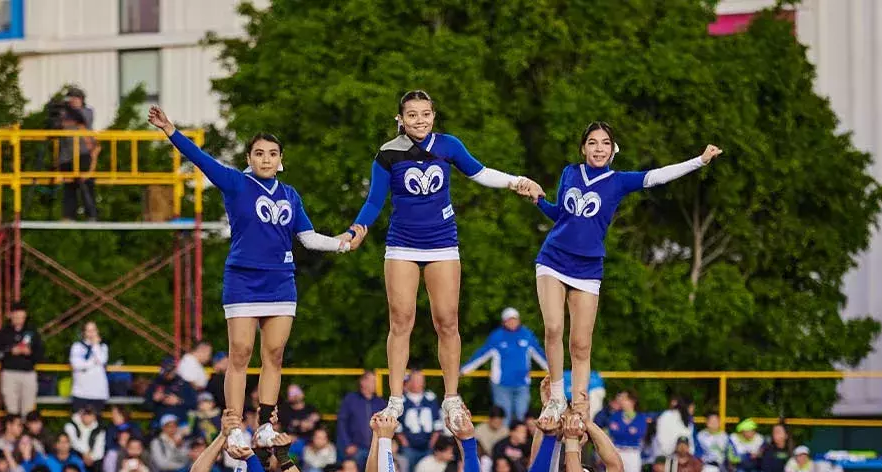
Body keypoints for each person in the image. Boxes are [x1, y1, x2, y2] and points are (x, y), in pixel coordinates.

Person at [149, 105, 349, 450]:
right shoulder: (236, 183)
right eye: (259, 153)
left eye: (272, 153)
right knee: (240, 353)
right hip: (243, 279)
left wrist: (342, 244)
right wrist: (170, 130)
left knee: (274, 355)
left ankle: (266, 423)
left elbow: (308, 238)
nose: (266, 159)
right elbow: (200, 158)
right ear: (249, 157)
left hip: (281, 281)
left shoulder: (290, 194)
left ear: (281, 158)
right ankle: (234, 423)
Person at [344, 90, 543, 431]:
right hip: (403, 245)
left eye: (425, 114)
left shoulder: (448, 145)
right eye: (412, 115)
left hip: (442, 243)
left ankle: (451, 398)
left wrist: (516, 182)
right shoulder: (388, 153)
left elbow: (480, 173)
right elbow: (375, 201)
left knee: (447, 321)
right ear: (400, 119)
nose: (419, 120)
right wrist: (356, 229)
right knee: (401, 320)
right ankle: (395, 400)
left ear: (433, 116)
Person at [531, 123, 719, 420]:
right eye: (592, 143)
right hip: (553, 258)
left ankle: (579, 406)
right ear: (583, 148)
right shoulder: (569, 172)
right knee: (554, 328)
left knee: (581, 344)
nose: (598, 148)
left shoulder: (618, 181)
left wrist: (700, 160)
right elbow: (562, 216)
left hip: (588, 267)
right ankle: (556, 397)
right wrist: (540, 201)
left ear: (612, 149)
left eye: (605, 143)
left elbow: (658, 176)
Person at [460, 307, 547, 425]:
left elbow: (539, 354)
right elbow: (481, 355)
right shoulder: (497, 336)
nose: (512, 322)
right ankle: (505, 442)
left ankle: (522, 442)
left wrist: (554, 372)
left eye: (514, 319)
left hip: (522, 384)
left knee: (522, 418)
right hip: (501, 385)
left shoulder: (527, 335)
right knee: (504, 419)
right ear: (504, 322)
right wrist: (463, 370)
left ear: (518, 320)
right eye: (509, 320)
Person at [0, 303, 44, 418]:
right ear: (11, 315)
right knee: (11, 409)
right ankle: (12, 432)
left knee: (28, 409)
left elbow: (40, 354)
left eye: (22, 317)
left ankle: (26, 434)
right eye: (16, 316)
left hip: (28, 373)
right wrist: (10, 351)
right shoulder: (3, 333)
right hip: (9, 373)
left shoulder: (32, 332)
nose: (19, 319)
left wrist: (29, 353)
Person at [57, 108, 98, 220]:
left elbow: (94, 150)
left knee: (84, 182)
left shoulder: (82, 131)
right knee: (71, 184)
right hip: (69, 164)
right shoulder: (64, 132)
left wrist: (89, 172)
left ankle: (90, 214)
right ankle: (71, 215)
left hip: (80, 164)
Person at [68, 322, 110, 412]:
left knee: (96, 422)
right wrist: (92, 362)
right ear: (84, 332)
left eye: (93, 330)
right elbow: (76, 365)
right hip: (80, 392)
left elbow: (102, 360)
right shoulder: (77, 346)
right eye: (88, 330)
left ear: (97, 331)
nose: (91, 333)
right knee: (78, 420)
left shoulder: (103, 347)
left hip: (98, 393)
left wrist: (95, 345)